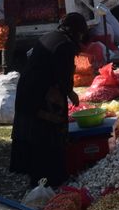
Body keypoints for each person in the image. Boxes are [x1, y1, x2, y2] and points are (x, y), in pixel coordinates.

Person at [10, 12, 88, 188]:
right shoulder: (65, 45)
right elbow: (63, 74)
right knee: (46, 134)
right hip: (39, 95)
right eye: (81, 33)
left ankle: (37, 176)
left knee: (32, 133)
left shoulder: (51, 36)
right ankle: (49, 177)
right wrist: (70, 93)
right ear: (77, 31)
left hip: (28, 91)